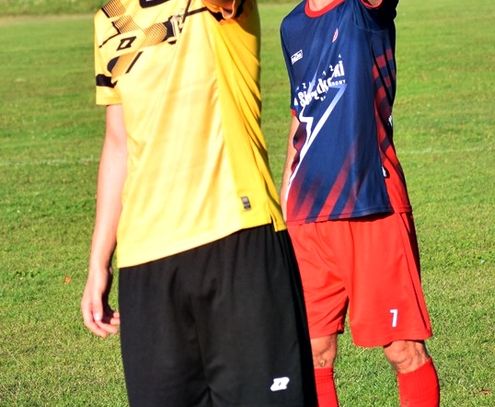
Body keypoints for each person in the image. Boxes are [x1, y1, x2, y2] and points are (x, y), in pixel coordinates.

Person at [80, 0, 317, 406]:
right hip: (146, 262)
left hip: (236, 238)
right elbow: (118, 142)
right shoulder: (111, 18)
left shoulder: (211, 7)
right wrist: (99, 261)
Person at [279, 0, 440, 406]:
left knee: (403, 349)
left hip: (371, 204)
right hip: (307, 213)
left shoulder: (364, 9)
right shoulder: (292, 26)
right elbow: (300, 113)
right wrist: (286, 198)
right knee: (313, 352)